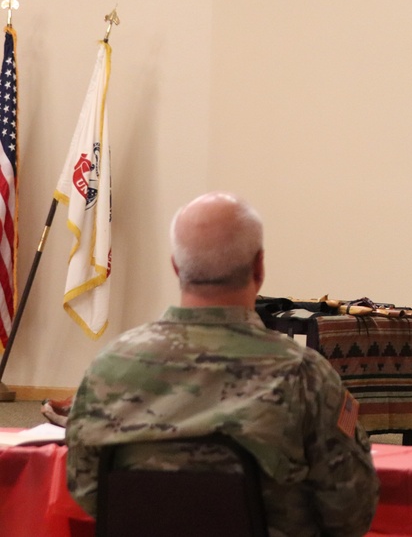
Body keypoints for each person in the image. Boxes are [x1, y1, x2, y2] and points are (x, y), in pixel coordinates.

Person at [65, 192, 379, 537]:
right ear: (259, 267)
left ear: (176, 266)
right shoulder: (304, 375)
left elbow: (88, 490)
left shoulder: (109, 367)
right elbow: (350, 511)